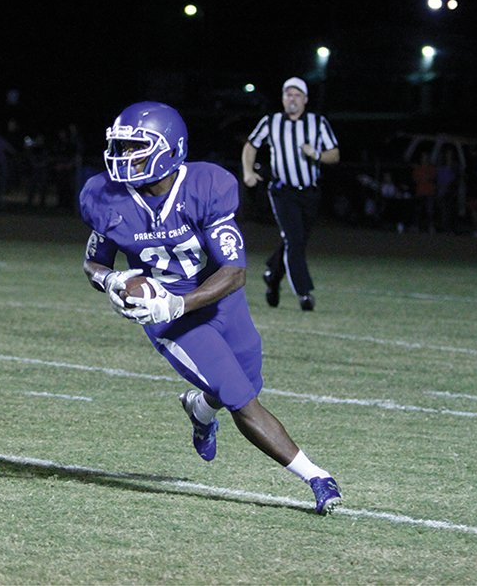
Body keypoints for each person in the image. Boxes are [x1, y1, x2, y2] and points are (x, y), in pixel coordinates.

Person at [79, 101, 342, 516]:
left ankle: (199, 409)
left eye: (136, 148)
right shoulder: (106, 197)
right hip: (169, 321)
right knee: (239, 396)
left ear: (170, 149)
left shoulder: (206, 185)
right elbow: (95, 260)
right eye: (122, 147)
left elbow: (234, 272)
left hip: (219, 298)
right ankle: (316, 477)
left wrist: (178, 301)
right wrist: (112, 280)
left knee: (248, 380)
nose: (124, 157)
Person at [241, 77, 340, 311]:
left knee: (296, 241)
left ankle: (272, 275)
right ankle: (304, 293)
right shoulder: (271, 121)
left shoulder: (318, 122)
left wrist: (315, 154)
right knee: (294, 240)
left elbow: (334, 154)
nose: (292, 99)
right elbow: (251, 145)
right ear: (283, 99)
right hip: (283, 190)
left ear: (305, 100)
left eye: (297, 95)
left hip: (310, 192)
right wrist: (248, 172)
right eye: (288, 95)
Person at [411, 151, 436, 234]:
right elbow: (415, 179)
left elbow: (432, 178)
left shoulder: (431, 168)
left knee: (430, 211)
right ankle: (416, 227)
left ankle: (430, 227)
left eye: (426, 157)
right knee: (418, 210)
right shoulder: (417, 168)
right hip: (420, 192)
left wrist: (425, 178)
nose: (424, 159)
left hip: (429, 192)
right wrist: (423, 178)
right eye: (423, 157)